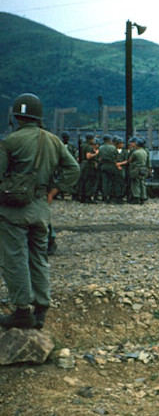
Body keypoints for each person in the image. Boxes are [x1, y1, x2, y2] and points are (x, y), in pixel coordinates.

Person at [0, 93, 80, 328]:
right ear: (38, 116)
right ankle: (41, 308)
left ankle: (22, 311)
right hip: (41, 210)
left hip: (13, 211)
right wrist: (54, 191)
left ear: (16, 117)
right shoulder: (54, 141)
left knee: (14, 259)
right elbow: (73, 169)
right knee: (38, 257)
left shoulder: (9, 142)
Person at [77, 133, 98, 203]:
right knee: (89, 181)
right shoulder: (89, 146)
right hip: (88, 165)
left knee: (82, 181)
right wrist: (96, 153)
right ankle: (87, 197)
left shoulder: (82, 145)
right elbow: (88, 156)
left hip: (82, 164)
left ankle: (82, 196)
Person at [127, 138, 149, 204]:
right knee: (142, 183)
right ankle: (143, 197)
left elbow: (130, 160)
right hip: (143, 168)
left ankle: (136, 197)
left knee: (135, 183)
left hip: (136, 168)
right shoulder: (145, 152)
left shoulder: (136, 152)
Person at [97, 134, 118, 203]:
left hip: (104, 165)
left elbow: (99, 156)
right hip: (112, 165)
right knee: (112, 181)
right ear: (109, 140)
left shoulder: (101, 148)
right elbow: (116, 156)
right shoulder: (113, 148)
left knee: (104, 182)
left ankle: (104, 196)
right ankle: (111, 197)